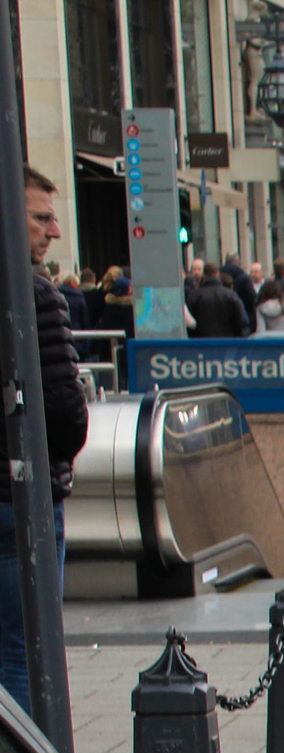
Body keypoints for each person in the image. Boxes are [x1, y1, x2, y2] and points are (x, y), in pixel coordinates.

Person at [1, 171, 88, 715]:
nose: (53, 230)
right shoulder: (33, 292)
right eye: (40, 217)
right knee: (26, 651)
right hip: (22, 501)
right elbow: (63, 409)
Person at [188, 265, 251, 338]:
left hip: (202, 343)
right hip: (227, 342)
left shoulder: (195, 295)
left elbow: (190, 323)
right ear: (217, 274)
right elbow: (240, 321)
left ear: (204, 275)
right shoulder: (231, 295)